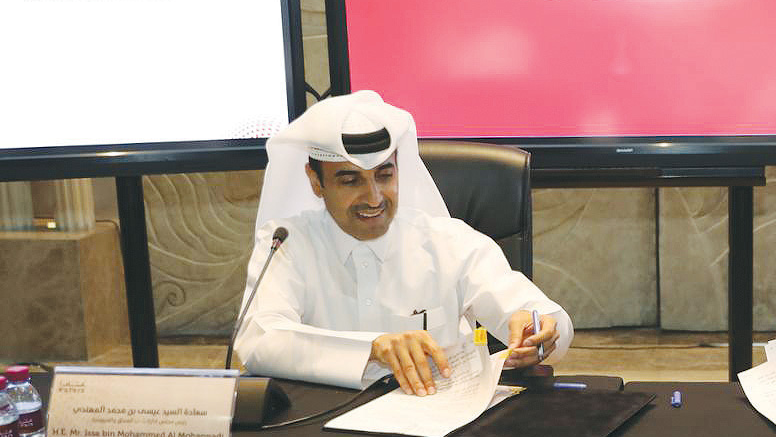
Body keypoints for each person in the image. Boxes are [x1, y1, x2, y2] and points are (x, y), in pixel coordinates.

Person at [234, 90, 573, 394]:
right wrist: (374, 348)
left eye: (385, 175)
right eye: (351, 181)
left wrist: (538, 332)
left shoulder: (449, 241)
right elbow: (259, 340)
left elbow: (537, 315)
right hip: (323, 431)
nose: (374, 198)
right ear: (316, 182)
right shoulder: (287, 243)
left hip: (437, 423)